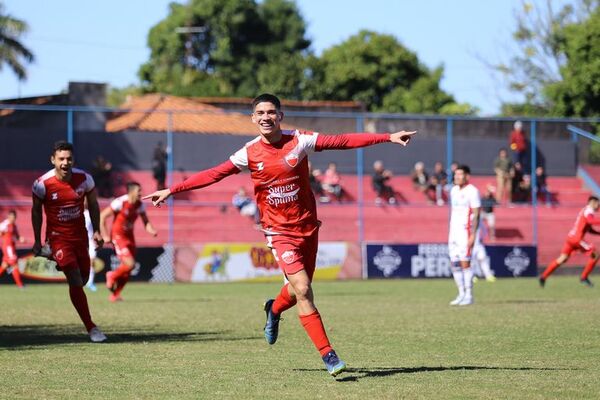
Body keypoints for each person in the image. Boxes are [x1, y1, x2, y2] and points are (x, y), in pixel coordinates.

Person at [143, 93, 416, 377]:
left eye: (271, 112)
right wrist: (172, 190)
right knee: (303, 289)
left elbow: (342, 141)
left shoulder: (300, 140)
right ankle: (329, 356)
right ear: (253, 118)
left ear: (280, 116)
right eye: (260, 112)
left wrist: (387, 137)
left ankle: (273, 309)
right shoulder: (248, 152)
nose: (265, 117)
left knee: (299, 290)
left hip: (308, 227)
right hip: (278, 231)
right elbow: (214, 174)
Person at [31, 141, 107, 342]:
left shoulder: (85, 179)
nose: (65, 163)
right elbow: (36, 212)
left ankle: (56, 258)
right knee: (74, 279)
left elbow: (93, 204)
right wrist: (37, 239)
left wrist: (98, 231)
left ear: (74, 159)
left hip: (80, 236)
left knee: (81, 280)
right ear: (53, 160)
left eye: (69, 159)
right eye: (61, 159)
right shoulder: (42, 184)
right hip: (58, 237)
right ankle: (92, 328)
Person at [101, 182, 157, 302]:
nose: (141, 193)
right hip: (118, 236)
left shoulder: (140, 205)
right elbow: (102, 216)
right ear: (131, 192)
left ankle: (115, 295)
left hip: (130, 237)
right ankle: (111, 275)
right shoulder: (120, 202)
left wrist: (151, 230)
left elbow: (145, 221)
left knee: (128, 269)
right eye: (139, 191)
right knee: (130, 264)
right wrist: (105, 235)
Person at [540, 196, 600, 288]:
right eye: (598, 204)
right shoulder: (589, 210)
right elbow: (590, 220)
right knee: (595, 254)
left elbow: (589, 228)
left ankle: (543, 277)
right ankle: (584, 277)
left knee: (562, 259)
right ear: (593, 202)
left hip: (571, 238)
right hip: (577, 239)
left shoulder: (585, 210)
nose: (598, 206)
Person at [448, 165, 481, 306]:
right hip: (453, 231)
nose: (457, 177)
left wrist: (473, 235)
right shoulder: (453, 190)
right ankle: (461, 293)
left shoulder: (472, 191)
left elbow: (476, 214)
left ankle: (469, 295)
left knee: (465, 262)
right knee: (454, 263)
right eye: (455, 174)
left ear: (467, 176)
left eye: (460, 174)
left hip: (465, 231)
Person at [0, 210, 25, 288]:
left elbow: (17, 237)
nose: (13, 218)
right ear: (8, 216)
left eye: (14, 217)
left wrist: (21, 239)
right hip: (7, 248)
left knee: (4, 265)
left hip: (12, 247)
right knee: (14, 265)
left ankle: (20, 285)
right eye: (11, 217)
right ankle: (20, 285)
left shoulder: (14, 225)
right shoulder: (5, 224)